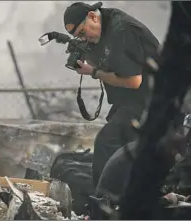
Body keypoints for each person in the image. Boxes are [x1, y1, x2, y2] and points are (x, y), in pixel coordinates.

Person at [63, 1, 159, 188]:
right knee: (127, 154)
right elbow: (109, 61)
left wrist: (93, 72)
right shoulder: (102, 29)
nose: (84, 39)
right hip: (131, 101)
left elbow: (133, 81)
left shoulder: (122, 31)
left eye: (83, 33)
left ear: (92, 16)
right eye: (79, 37)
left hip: (151, 98)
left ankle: (102, 205)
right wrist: (85, 54)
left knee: (107, 143)